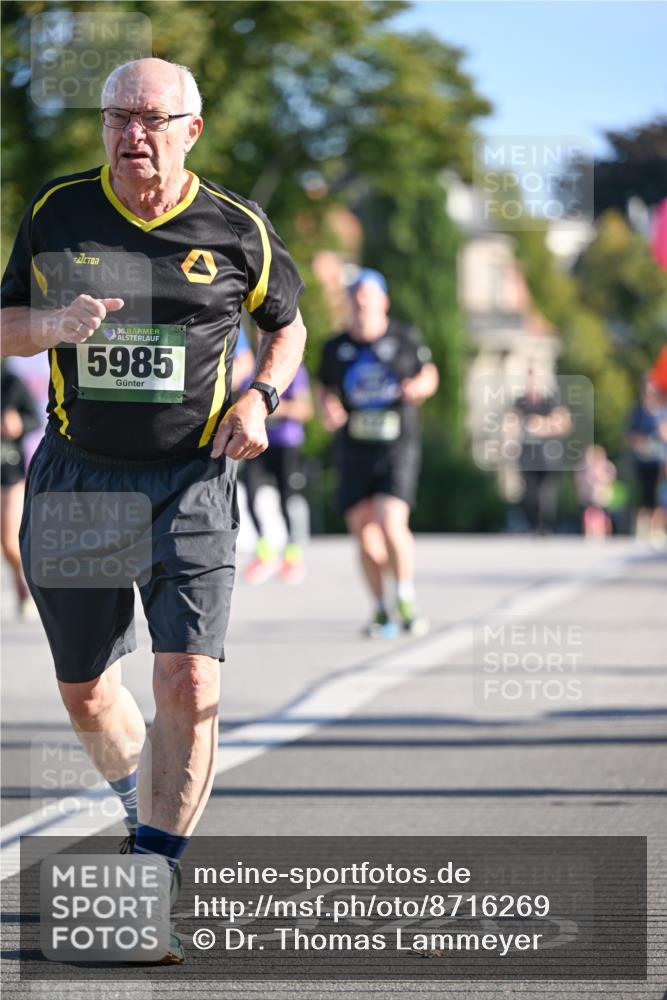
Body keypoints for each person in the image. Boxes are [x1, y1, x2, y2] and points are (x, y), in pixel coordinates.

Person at [1, 58, 305, 963]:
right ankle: (142, 802)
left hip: (193, 477)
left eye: (149, 118)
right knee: (89, 690)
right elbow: (4, 321)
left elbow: (286, 323)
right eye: (116, 117)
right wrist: (52, 328)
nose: (130, 133)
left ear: (190, 131)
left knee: (189, 680)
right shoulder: (60, 213)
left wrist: (262, 400)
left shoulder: (236, 226)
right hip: (81, 475)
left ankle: (153, 872)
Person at [317, 268, 438, 637]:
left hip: (396, 445)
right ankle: (381, 608)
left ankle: (405, 596)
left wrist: (419, 386)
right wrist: (328, 408)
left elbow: (430, 373)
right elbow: (324, 389)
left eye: (368, 298)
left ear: (383, 302)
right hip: (354, 448)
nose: (361, 304)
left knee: (390, 521)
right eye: (355, 298)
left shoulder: (404, 338)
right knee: (365, 536)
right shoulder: (335, 347)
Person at [242, 362, 313, 584]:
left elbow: (305, 410)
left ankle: (292, 556)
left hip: (287, 444)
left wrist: (268, 406)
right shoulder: (250, 369)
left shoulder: (295, 369)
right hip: (258, 443)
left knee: (287, 500)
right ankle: (265, 553)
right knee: (250, 496)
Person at [511, 369, 571, 535]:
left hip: (548, 457)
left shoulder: (551, 401)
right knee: (529, 493)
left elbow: (564, 423)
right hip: (528, 456)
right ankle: (532, 525)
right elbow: (510, 421)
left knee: (547, 495)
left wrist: (541, 426)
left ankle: (546, 527)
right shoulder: (520, 402)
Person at [1, 361, 40, 616]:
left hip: (9, 473)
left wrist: (18, 425)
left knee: (8, 543)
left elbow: (34, 419)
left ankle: (22, 581)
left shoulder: (11, 382)